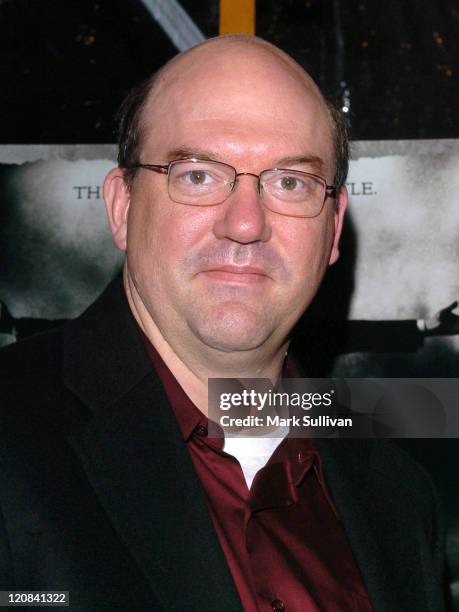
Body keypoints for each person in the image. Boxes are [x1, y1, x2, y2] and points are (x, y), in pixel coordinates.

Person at [0, 35, 445, 611]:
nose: (244, 224)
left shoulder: (401, 500)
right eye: (198, 175)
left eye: (290, 182)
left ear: (332, 230)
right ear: (122, 208)